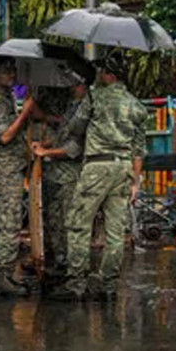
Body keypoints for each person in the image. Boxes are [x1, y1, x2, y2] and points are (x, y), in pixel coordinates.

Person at [51, 53, 147, 302]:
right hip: (124, 168)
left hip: (97, 165)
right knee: (116, 231)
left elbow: (75, 128)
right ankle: (108, 283)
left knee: (79, 223)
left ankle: (77, 282)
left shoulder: (95, 96)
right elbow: (139, 149)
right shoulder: (137, 106)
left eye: (102, 71)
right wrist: (135, 181)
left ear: (110, 74)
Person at [0, 59, 34, 296]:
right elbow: (4, 136)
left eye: (13, 70)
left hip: (11, 166)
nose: (11, 75)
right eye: (5, 71)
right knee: (9, 222)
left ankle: (3, 273)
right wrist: (25, 113)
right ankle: (1, 274)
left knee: (7, 221)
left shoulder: (5, 98)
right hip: (4, 169)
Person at [31, 81, 89, 285]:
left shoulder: (84, 110)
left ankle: (72, 269)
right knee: (53, 219)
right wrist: (44, 145)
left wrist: (46, 151)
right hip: (54, 172)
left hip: (69, 174)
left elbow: (74, 147)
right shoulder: (71, 107)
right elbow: (62, 137)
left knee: (69, 221)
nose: (72, 85)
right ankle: (58, 262)